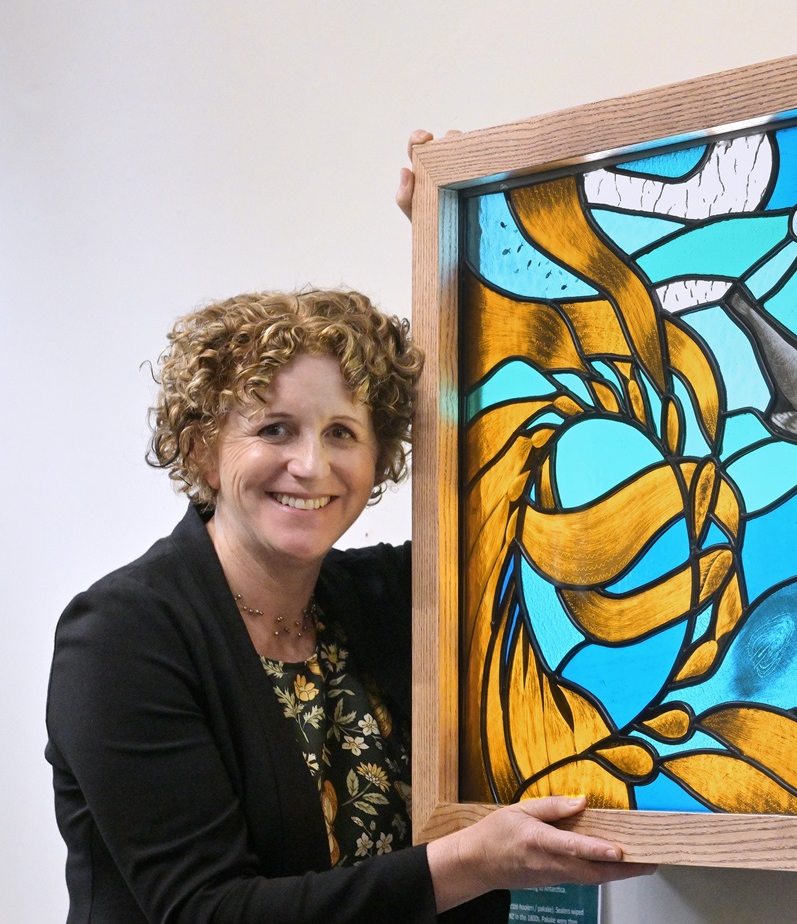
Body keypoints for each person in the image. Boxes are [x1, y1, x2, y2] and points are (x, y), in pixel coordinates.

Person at [46, 288, 654, 923]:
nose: (311, 465)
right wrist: (473, 861)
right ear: (203, 447)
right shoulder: (120, 637)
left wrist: (449, 229)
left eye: (341, 432)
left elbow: (509, 511)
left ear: (379, 457)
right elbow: (209, 911)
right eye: (274, 429)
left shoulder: (388, 596)